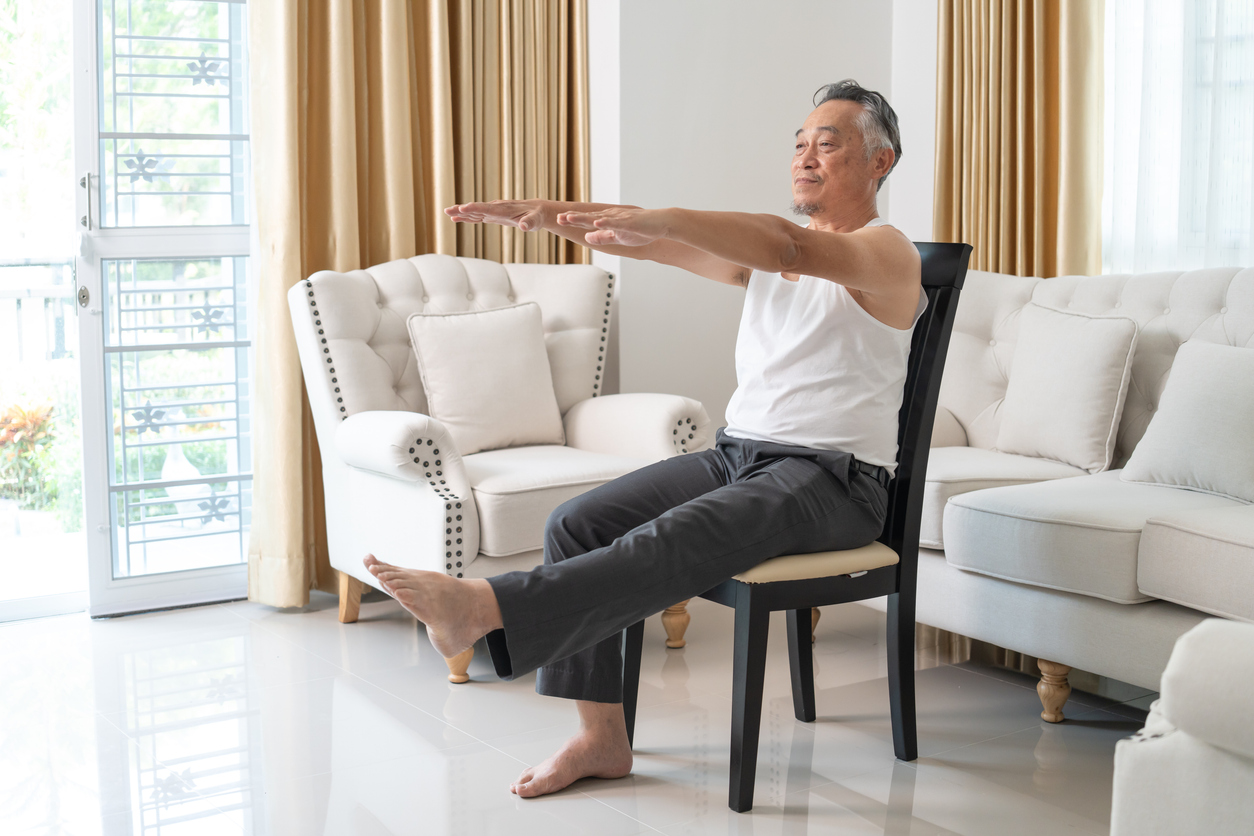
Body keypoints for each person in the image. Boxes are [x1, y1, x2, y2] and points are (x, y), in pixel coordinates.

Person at [362, 79, 922, 798]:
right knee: (579, 521)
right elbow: (656, 245)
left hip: (834, 483)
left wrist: (658, 215)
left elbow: (784, 241)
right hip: (741, 455)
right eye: (799, 143)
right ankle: (600, 739)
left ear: (881, 162)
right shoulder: (776, 261)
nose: (805, 158)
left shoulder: (887, 254)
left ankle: (481, 607)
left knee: (671, 539)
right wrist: (561, 221)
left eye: (829, 143)